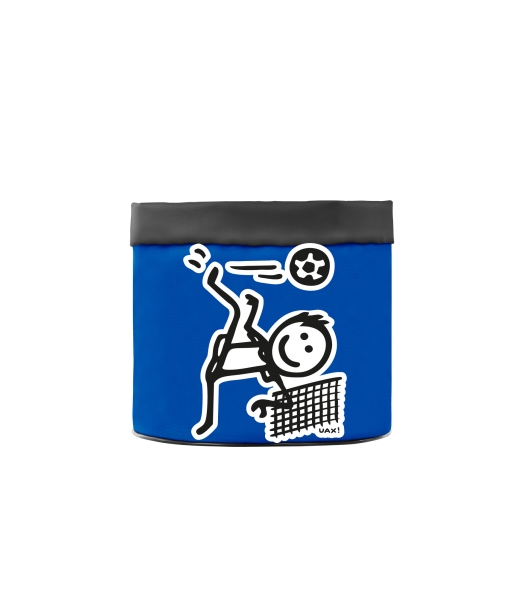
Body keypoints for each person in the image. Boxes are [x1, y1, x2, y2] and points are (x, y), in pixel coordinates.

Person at [191, 261, 335, 439]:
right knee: (237, 312)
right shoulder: (268, 348)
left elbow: (288, 403)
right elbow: (250, 330)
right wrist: (252, 312)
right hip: (226, 350)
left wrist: (265, 402)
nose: (298, 345)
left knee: (236, 311)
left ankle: (209, 422)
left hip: (223, 363)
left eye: (308, 349)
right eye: (303, 336)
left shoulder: (273, 368)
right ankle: (213, 284)